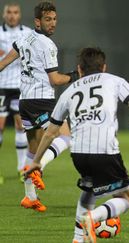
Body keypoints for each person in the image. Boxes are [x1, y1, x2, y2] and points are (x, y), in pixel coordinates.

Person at [24, 47, 129, 243]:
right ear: (104, 67)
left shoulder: (69, 91)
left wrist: (37, 161)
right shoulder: (114, 81)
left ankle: (78, 239)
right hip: (104, 151)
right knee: (126, 198)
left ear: (79, 69)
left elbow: (51, 132)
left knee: (88, 189)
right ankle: (93, 218)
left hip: (78, 154)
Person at [0, 2, 76, 211]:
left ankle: (30, 197)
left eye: (54, 19)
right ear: (37, 21)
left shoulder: (23, 38)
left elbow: (3, 62)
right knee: (66, 137)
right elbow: (55, 79)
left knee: (33, 149)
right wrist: (74, 75)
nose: (52, 24)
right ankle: (38, 169)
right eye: (48, 19)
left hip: (24, 102)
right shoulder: (48, 45)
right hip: (42, 100)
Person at [0, 3, 31, 179]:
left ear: (19, 15)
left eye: (15, 12)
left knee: (21, 126)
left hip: (20, 86)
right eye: (9, 13)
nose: (12, 16)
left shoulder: (27, 33)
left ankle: (21, 168)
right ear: (4, 15)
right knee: (0, 127)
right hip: (1, 85)